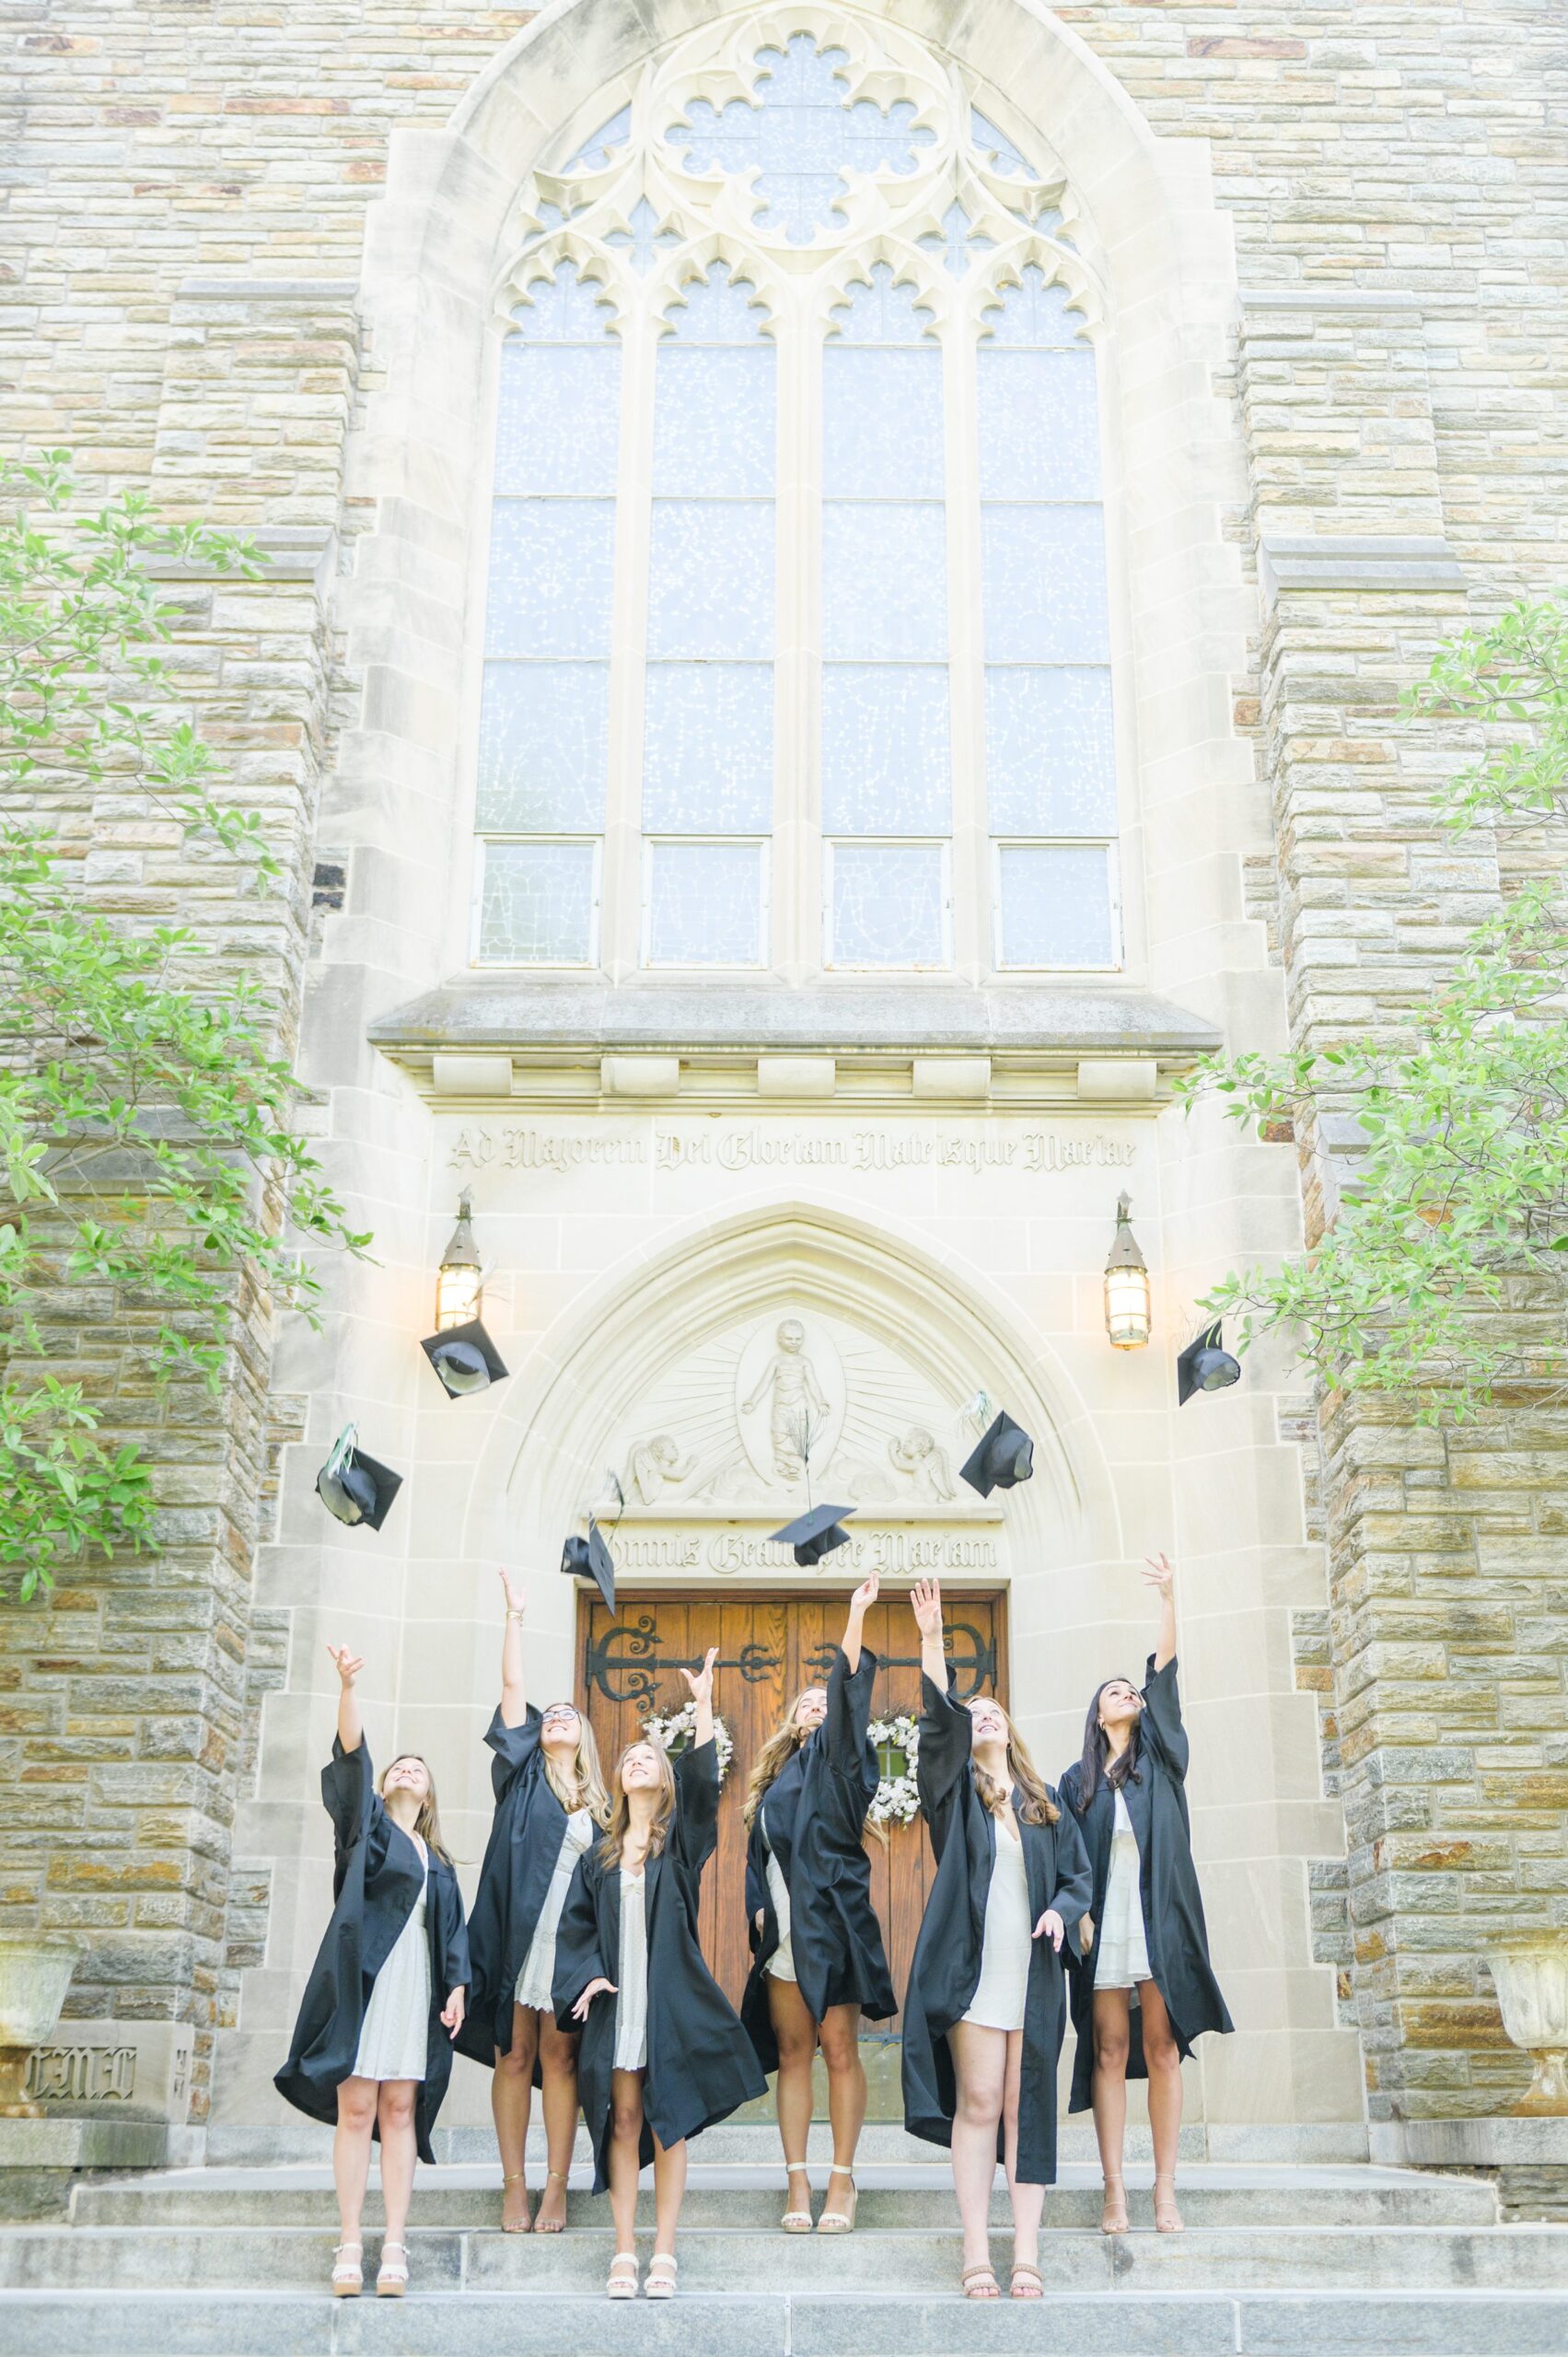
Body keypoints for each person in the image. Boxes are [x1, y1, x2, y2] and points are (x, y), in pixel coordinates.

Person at [554, 1648, 767, 2299]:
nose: (637, 1760)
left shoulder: (679, 1844)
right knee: (621, 2119)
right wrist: (585, 1975)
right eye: (629, 1758)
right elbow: (575, 1929)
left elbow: (705, 1790)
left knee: (667, 2119)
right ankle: (624, 2249)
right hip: (619, 2003)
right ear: (618, 1781)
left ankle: (664, 2251)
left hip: (668, 2003)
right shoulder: (599, 1857)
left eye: (650, 1757)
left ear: (664, 1781)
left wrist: (703, 1705)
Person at [901, 1578, 1090, 2303]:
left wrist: (1061, 1909)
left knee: (1026, 2105)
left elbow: (1078, 1878)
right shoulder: (951, 1799)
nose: (981, 1716)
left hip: (1033, 1972)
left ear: (1008, 1730)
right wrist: (931, 1641)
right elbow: (937, 1726)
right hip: (973, 1971)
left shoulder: (1042, 1807)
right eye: (973, 1712)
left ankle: (1027, 2253)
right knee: (978, 2101)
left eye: (992, 1711)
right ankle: (977, 2249)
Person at [274, 1644, 470, 2300]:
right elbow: (352, 1762)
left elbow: (451, 1934)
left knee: (400, 2107)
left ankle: (394, 2241)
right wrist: (347, 1687)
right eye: (398, 1766)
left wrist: (458, 1988)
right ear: (386, 1787)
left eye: (418, 1767)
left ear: (430, 1791)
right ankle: (350, 2238)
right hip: (369, 1978)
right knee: (356, 2106)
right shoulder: (368, 1836)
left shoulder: (438, 1859)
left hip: (417, 1986)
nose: (407, 1770)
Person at [1057, 1552, 1234, 2235]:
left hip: (1157, 1920)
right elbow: (1068, 1863)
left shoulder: (1158, 1757)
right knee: (1105, 2049)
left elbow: (1165, 1674)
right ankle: (1113, 2192)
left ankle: (1164, 2189)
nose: (1127, 1694)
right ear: (1097, 1716)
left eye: (1131, 1690)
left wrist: (1168, 1598)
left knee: (1161, 2047)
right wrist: (1078, 1918)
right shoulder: (1075, 1782)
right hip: (1103, 1929)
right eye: (1114, 1692)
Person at [739, 1573, 896, 2234]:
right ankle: (797, 2182)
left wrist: (855, 1617)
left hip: (830, 1929)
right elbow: (759, 1855)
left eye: (822, 1701)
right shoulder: (775, 1782)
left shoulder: (843, 1763)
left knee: (838, 2049)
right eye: (805, 1702)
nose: (815, 1705)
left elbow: (850, 1690)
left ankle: (841, 2179)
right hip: (780, 1939)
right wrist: (754, 1905)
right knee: (794, 2053)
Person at [455, 1569, 610, 2233]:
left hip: (568, 1948)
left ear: (583, 1737)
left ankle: (556, 2186)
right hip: (516, 1938)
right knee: (513, 2055)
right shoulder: (518, 1777)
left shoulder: (603, 1807)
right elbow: (513, 1690)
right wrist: (514, 1617)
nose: (554, 1718)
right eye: (549, 1716)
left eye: (566, 1715)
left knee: (560, 2058)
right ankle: (513, 2184)